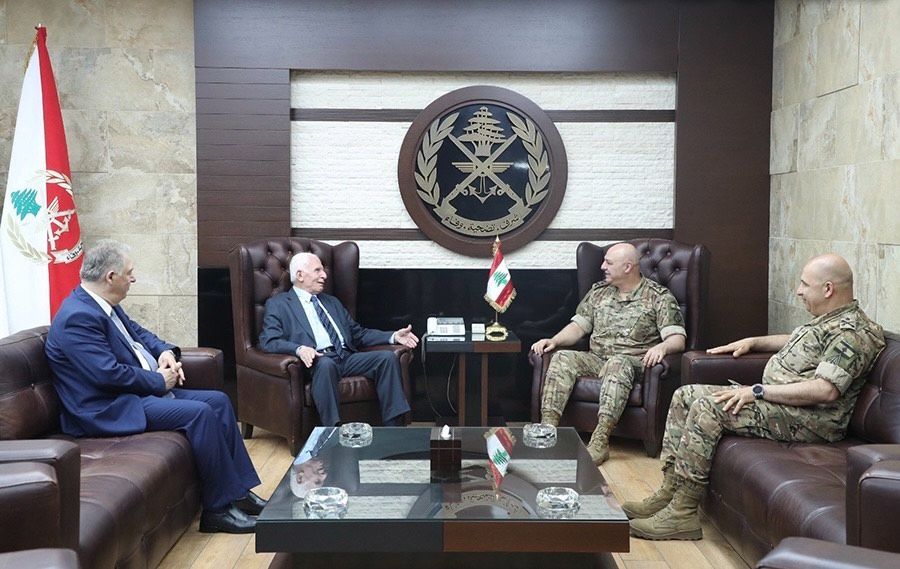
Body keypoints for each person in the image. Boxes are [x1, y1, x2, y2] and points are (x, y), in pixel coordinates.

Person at [626, 253, 885, 541]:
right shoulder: (829, 320)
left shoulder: (852, 333)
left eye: (804, 284)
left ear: (828, 289)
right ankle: (670, 491)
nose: (798, 291)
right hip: (782, 405)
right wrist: (753, 341)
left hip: (811, 419)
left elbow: (825, 390)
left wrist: (758, 391)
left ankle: (682, 513)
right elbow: (799, 341)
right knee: (685, 395)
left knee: (709, 408)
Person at [45, 240, 266, 534]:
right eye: (129, 273)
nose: (133, 278)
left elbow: (140, 334)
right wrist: (159, 381)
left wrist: (165, 352)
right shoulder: (78, 317)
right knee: (199, 413)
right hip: (106, 407)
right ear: (111, 277)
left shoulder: (103, 305)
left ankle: (237, 493)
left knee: (218, 401)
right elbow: (106, 374)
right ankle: (218, 511)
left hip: (131, 394)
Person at [531, 242, 686, 464]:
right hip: (596, 359)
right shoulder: (599, 292)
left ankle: (600, 440)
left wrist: (662, 347)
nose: (602, 266)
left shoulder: (658, 297)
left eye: (609, 263)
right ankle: (548, 429)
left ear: (628, 267)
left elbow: (678, 339)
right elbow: (578, 327)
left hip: (633, 363)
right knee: (562, 357)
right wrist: (553, 340)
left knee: (618, 363)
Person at [259, 252, 418, 427]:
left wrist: (393, 336)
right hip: (316, 361)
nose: (324, 275)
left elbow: (357, 334)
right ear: (300, 275)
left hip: (345, 357)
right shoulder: (279, 304)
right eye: (318, 270)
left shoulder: (331, 302)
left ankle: (393, 428)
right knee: (326, 365)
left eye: (323, 270)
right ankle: (332, 431)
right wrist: (299, 349)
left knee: (386, 358)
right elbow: (269, 341)